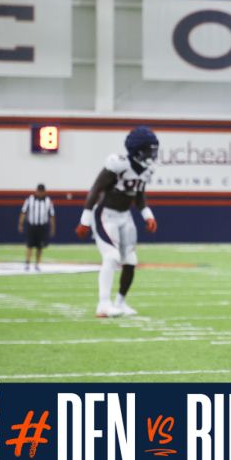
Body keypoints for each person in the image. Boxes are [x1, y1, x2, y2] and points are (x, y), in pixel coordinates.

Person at [76, 127, 159, 319]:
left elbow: (139, 195)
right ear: (138, 149)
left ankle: (120, 303)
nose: (152, 154)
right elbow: (96, 189)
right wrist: (85, 220)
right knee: (111, 256)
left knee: (130, 261)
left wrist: (147, 215)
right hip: (105, 215)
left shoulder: (147, 170)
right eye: (149, 149)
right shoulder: (118, 164)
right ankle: (103, 304)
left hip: (125, 217)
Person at [18, 184, 56, 271]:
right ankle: (27, 263)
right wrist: (20, 224)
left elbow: (52, 215)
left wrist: (53, 228)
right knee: (29, 245)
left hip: (42, 226)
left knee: (40, 246)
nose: (40, 193)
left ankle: (37, 264)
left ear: (44, 192)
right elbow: (23, 212)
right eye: (39, 191)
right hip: (32, 226)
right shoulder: (29, 200)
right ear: (36, 191)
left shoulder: (48, 201)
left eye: (42, 191)